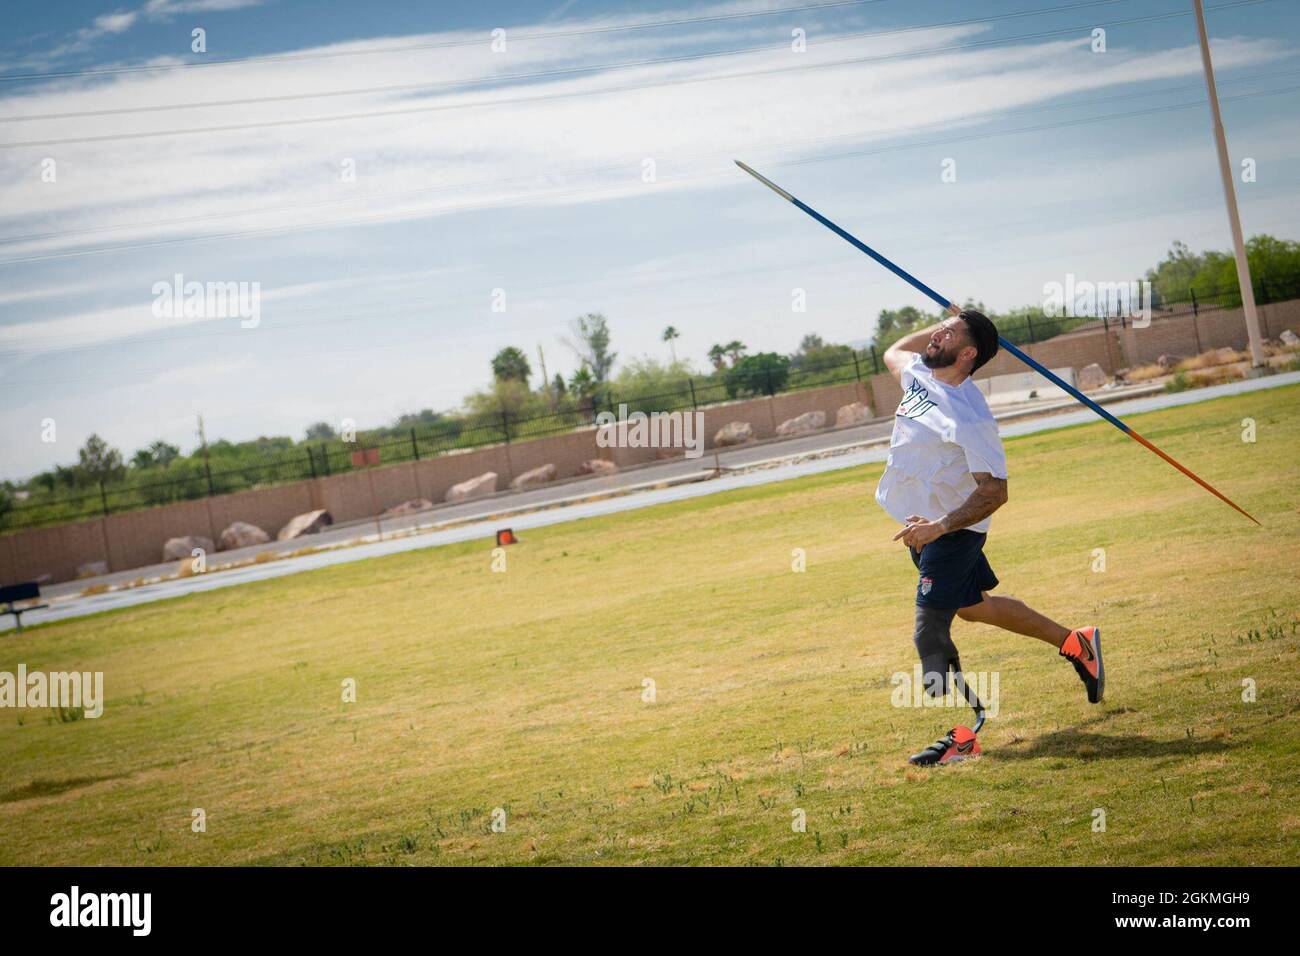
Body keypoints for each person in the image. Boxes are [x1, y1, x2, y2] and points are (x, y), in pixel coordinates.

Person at [877, 308, 1103, 765]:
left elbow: (995, 491)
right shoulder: (918, 373)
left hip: (949, 531)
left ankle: (967, 733)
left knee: (930, 636)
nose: (936, 335)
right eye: (938, 328)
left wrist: (938, 528)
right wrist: (950, 316)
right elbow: (893, 351)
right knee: (973, 608)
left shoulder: (970, 418)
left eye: (949, 332)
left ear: (968, 353)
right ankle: (1076, 642)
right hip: (922, 528)